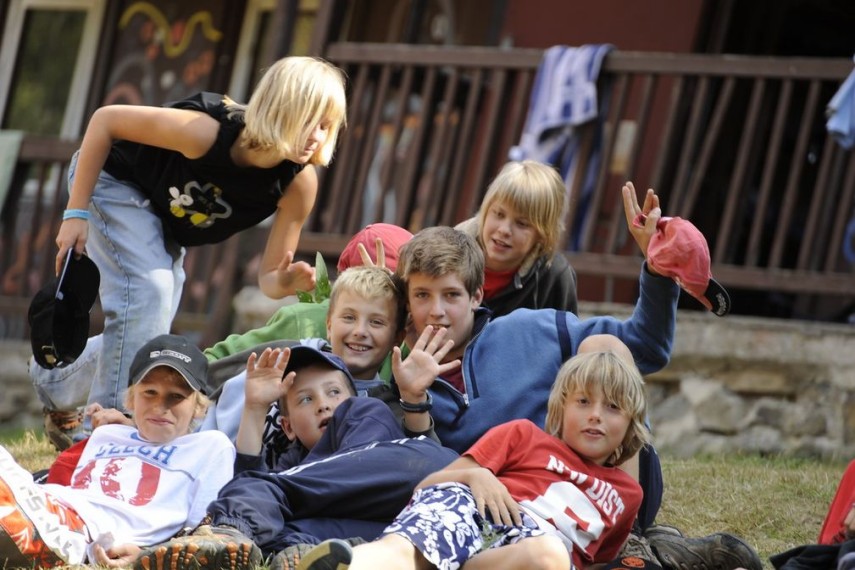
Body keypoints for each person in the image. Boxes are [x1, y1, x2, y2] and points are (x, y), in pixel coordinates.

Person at [31, 56, 348, 439]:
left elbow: (268, 278)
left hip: (163, 220)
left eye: (326, 125)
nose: (317, 135)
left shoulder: (298, 186)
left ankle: (53, 378)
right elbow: (105, 121)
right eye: (308, 120)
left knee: (146, 326)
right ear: (278, 108)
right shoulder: (205, 132)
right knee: (150, 293)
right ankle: (106, 436)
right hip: (113, 183)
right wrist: (75, 213)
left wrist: (286, 281)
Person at [296, 340, 650, 570]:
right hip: (475, 510)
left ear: (631, 422)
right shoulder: (524, 435)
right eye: (583, 402)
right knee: (410, 549)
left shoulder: (628, 495)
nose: (595, 415)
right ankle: (353, 564)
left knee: (549, 555)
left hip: (529, 553)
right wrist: (476, 474)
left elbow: (596, 561)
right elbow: (429, 485)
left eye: (613, 407)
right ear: (561, 407)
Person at [135, 345, 459, 570]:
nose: (324, 404)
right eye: (306, 399)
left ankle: (229, 532)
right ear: (287, 427)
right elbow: (255, 480)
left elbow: (256, 487)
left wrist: (258, 495)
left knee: (260, 491)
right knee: (280, 529)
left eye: (334, 392)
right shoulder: (294, 468)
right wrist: (255, 408)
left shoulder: (364, 410)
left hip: (417, 475)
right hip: (385, 528)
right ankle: (316, 554)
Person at [0, 334, 237, 568]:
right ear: (131, 400)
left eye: (176, 397)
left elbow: (202, 535)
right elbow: (59, 480)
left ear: (199, 408)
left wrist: (148, 555)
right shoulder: (108, 434)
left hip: (85, 533)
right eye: (150, 393)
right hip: (49, 504)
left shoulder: (210, 447)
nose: (160, 406)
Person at [456, 159, 577, 317]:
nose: (504, 230)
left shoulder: (554, 276)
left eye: (522, 223)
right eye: (499, 214)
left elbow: (565, 330)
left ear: (544, 234)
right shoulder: (450, 252)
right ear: (485, 211)